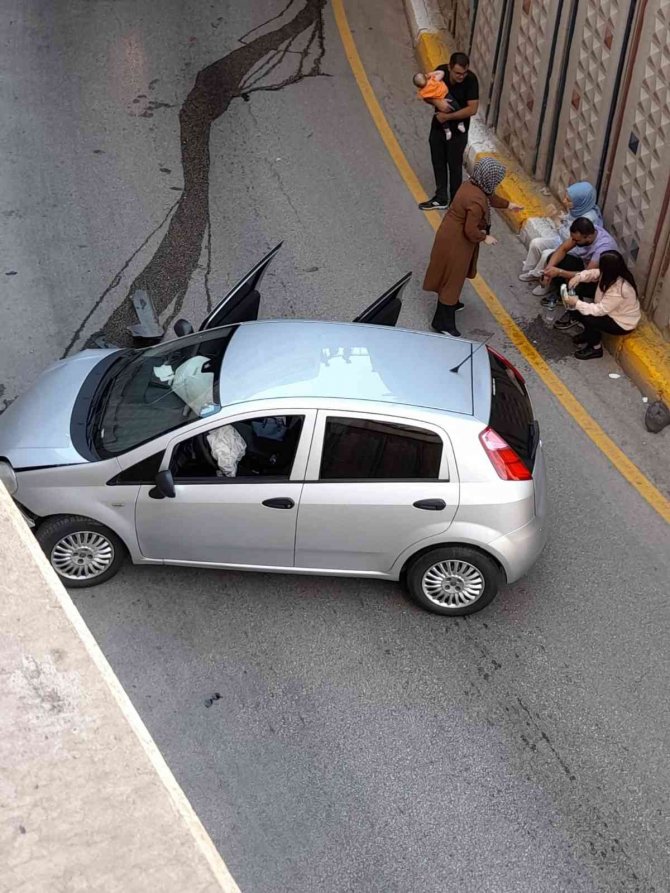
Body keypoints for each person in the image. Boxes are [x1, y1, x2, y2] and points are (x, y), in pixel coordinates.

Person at [423, 157, 522, 336]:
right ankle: (443, 322)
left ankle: (451, 303)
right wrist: (485, 237)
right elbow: (470, 230)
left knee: (451, 275)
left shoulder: (472, 186)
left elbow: (490, 198)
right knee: (453, 278)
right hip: (457, 243)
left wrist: (509, 205)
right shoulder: (475, 201)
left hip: (451, 236)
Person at [418, 52, 480, 212]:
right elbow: (426, 93)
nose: (461, 76)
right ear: (449, 68)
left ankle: (456, 202)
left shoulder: (471, 81)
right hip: (438, 124)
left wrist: (448, 116)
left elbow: (472, 109)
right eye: (458, 73)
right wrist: (437, 103)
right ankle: (441, 198)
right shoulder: (440, 73)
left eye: (464, 73)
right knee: (438, 160)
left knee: (454, 165)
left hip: (458, 130)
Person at [555, 250, 641, 360]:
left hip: (621, 323)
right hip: (610, 311)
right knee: (581, 291)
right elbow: (595, 273)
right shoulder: (612, 274)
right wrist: (579, 277)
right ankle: (588, 334)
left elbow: (599, 311)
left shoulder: (619, 289)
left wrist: (576, 303)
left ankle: (595, 348)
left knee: (589, 316)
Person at [519, 182, 603, 293]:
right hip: (562, 241)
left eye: (568, 200)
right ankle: (532, 271)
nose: (564, 201)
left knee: (547, 254)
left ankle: (546, 282)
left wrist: (556, 221)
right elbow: (568, 222)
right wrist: (561, 218)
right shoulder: (579, 208)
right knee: (536, 243)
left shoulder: (589, 218)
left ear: (580, 201)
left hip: (576, 250)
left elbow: (572, 239)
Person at [536, 217, 619, 307]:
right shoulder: (587, 231)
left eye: (576, 240)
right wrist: (548, 271)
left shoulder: (604, 247)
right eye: (573, 239)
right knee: (552, 258)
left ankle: (574, 305)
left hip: (598, 280)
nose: (573, 241)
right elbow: (563, 249)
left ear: (589, 237)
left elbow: (586, 274)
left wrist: (559, 272)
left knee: (576, 282)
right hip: (585, 268)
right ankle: (562, 294)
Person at [413, 70, 465, 141]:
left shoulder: (422, 92)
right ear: (425, 77)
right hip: (446, 96)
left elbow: (420, 98)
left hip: (438, 102)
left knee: (440, 117)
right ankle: (460, 123)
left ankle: (447, 131)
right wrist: (430, 74)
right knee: (457, 107)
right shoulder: (433, 80)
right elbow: (442, 73)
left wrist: (420, 90)